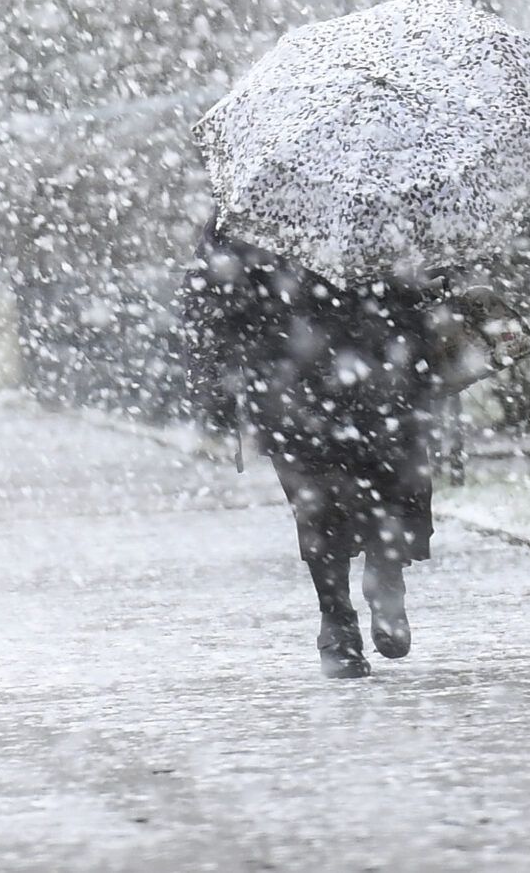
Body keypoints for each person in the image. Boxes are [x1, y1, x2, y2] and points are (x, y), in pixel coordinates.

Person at [180, 224, 452, 679]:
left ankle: (375, 589)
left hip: (367, 378)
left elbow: (208, 300)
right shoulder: (246, 214)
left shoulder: (252, 206)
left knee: (379, 490)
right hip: (303, 386)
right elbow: (211, 300)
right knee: (323, 506)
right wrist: (216, 389)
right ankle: (340, 618)